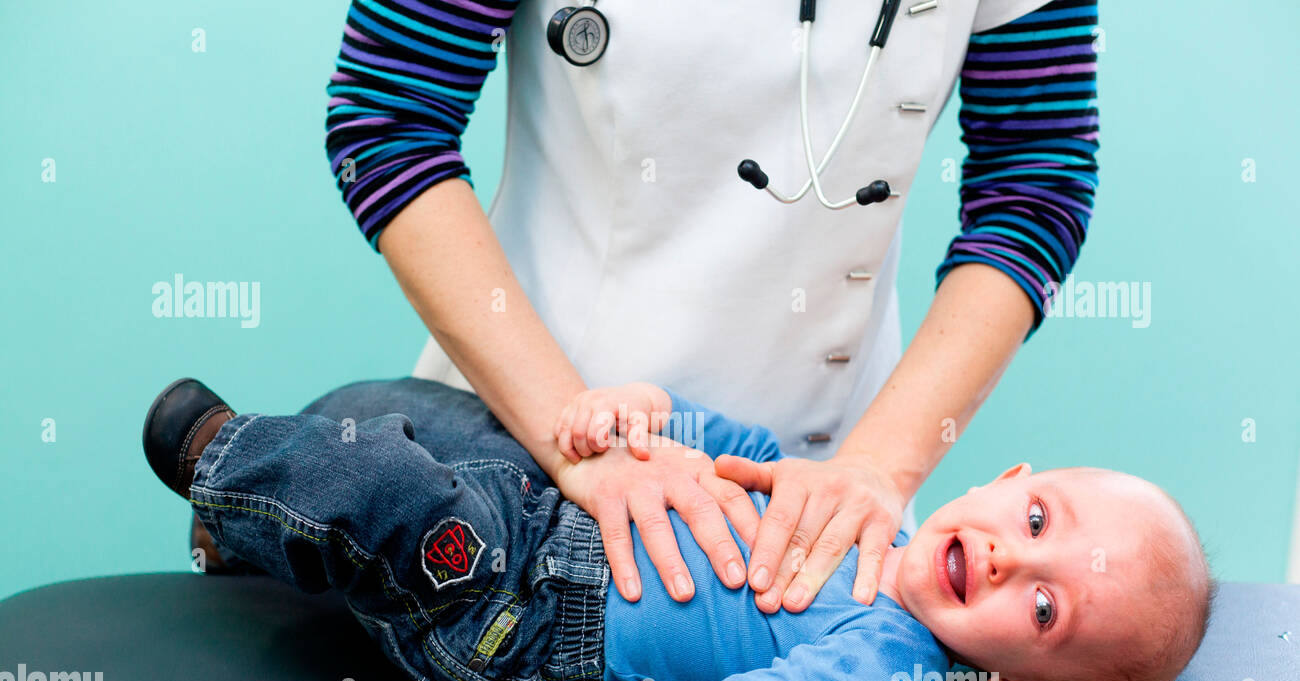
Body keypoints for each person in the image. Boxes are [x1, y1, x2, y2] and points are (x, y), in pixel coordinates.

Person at [311, 0, 1102, 619]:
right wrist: (574, 441)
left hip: (824, 518)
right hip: (529, 472)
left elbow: (1034, 189)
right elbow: (389, 120)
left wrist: (876, 469)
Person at [142, 374, 1213, 681]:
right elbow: (727, 451)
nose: (1007, 555)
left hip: (518, 611)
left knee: (393, 495)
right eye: (1034, 521)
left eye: (1042, 605)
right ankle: (250, 539)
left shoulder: (890, 670)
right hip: (556, 491)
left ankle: (215, 457)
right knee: (409, 405)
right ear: (1010, 477)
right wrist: (639, 421)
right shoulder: (853, 496)